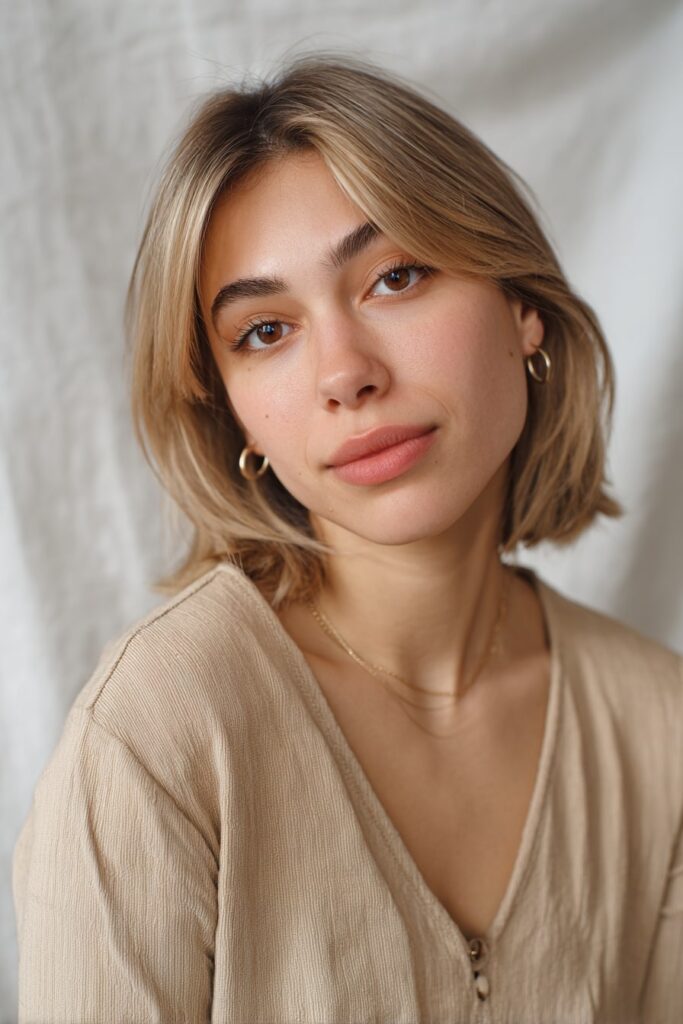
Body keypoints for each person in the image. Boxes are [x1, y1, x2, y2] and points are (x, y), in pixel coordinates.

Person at [12, 52, 682, 1023]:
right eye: (264, 332)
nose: (344, 372)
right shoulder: (155, 733)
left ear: (521, 307)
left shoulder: (659, 729)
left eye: (394, 277)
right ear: (233, 414)